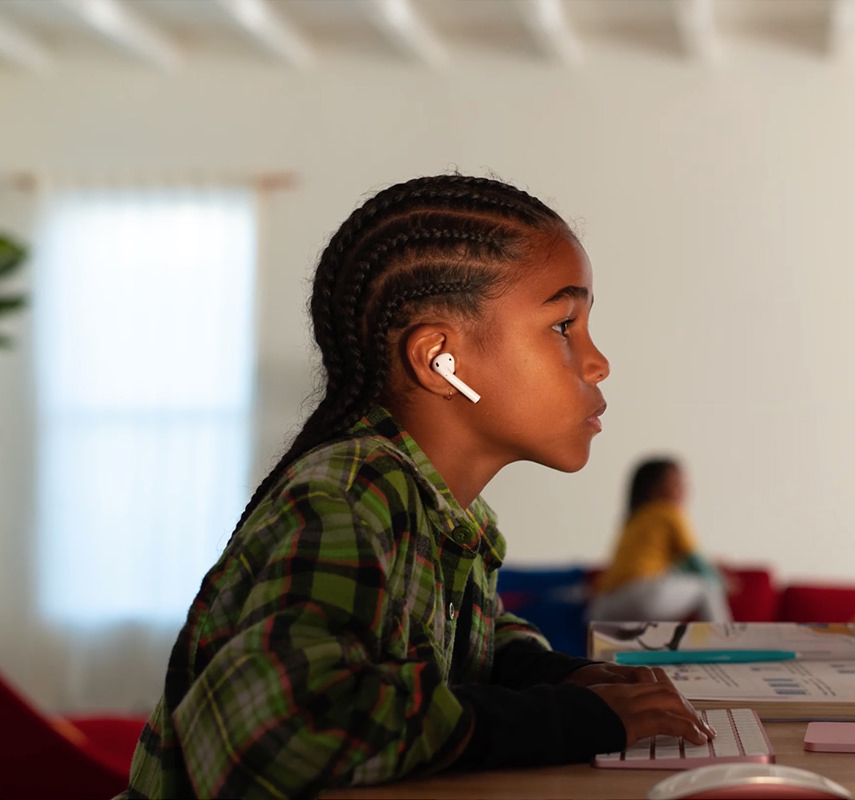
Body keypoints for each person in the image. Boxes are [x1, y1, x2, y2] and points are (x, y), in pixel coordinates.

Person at [120, 175, 715, 800]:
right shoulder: (347, 494)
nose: (598, 362)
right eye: (564, 326)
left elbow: (463, 643)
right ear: (439, 359)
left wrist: (565, 677)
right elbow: (289, 725)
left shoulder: (451, 513)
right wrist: (573, 720)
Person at [589, 458, 733, 623]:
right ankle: (727, 640)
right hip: (644, 596)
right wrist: (722, 582)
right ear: (654, 488)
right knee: (707, 589)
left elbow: (671, 567)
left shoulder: (634, 518)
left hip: (605, 605)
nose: (684, 487)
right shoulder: (668, 512)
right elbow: (695, 561)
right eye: (676, 481)